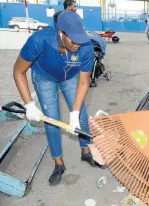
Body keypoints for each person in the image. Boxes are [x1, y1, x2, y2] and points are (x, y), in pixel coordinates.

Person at [13, 10, 97, 187]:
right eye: (73, 41)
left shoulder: (86, 47)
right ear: (60, 33)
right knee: (51, 118)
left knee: (80, 113)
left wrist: (73, 112)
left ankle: (85, 150)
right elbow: (18, 71)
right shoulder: (39, 40)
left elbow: (84, 81)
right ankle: (59, 163)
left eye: (80, 39)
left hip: (70, 76)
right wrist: (29, 105)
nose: (78, 45)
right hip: (44, 77)